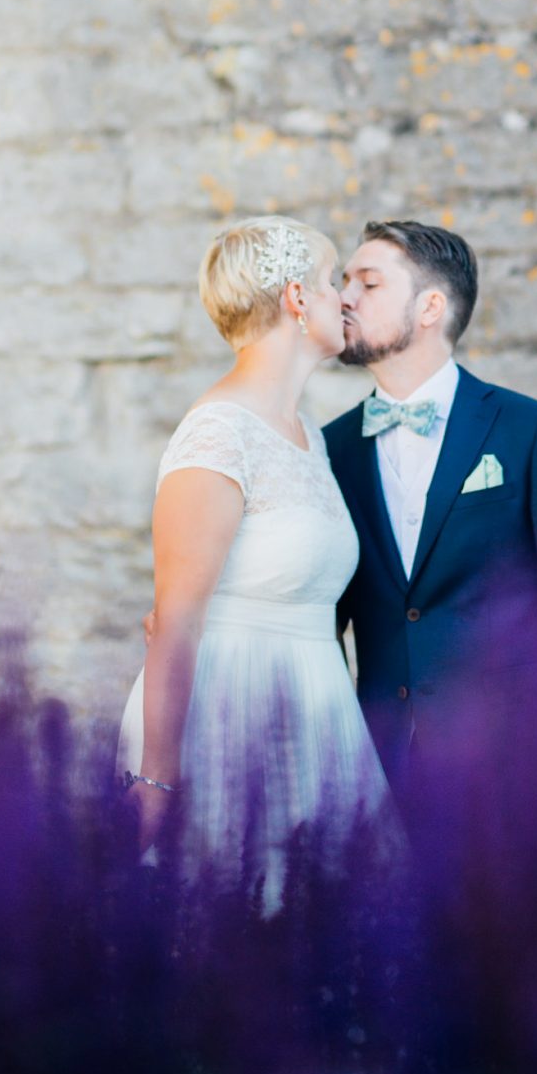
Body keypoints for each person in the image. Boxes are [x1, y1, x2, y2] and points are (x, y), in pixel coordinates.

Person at [117, 215, 395, 906]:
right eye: (333, 282)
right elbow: (175, 623)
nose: (345, 299)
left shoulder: (306, 438)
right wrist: (155, 781)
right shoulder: (217, 433)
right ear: (297, 299)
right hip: (229, 724)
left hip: (320, 721)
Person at [324, 219, 537, 789]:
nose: (344, 298)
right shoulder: (330, 449)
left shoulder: (533, 433)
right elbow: (319, 622)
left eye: (368, 283)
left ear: (430, 307)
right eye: (344, 281)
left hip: (520, 777)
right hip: (380, 780)